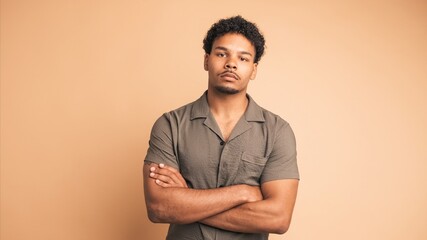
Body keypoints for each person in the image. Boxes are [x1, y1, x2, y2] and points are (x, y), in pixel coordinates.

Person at [143, 15, 299, 240]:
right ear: (206, 60)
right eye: (221, 54)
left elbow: (278, 218)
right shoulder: (169, 125)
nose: (231, 63)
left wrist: (186, 200)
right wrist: (243, 193)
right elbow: (159, 208)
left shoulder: (278, 131)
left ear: (253, 70)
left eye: (243, 58)